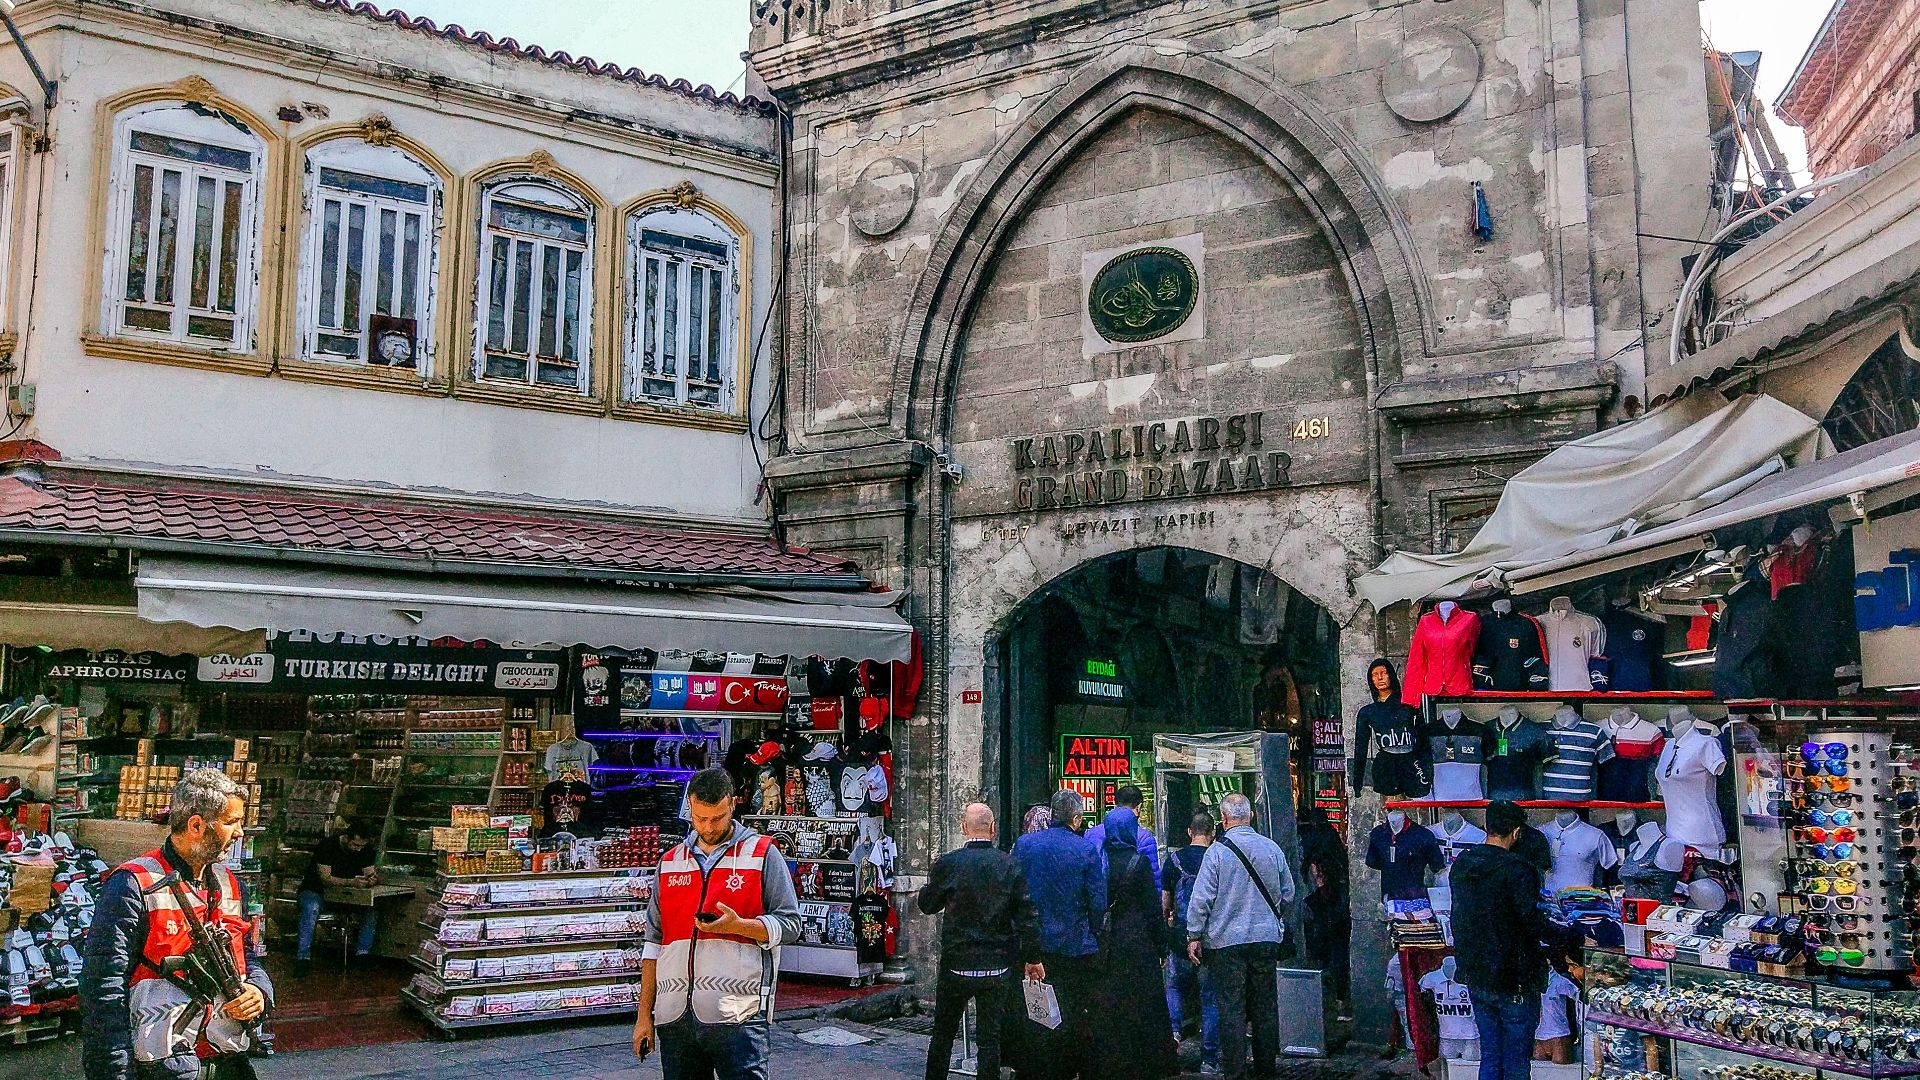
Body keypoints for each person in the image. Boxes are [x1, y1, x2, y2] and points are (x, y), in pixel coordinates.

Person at [80, 768, 273, 1080]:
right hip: (162, 1066)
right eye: (232, 822)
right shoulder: (133, 884)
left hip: (228, 1064)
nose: (240, 832)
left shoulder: (230, 884)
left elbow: (248, 958)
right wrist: (114, 1073)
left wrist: (259, 991)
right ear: (196, 825)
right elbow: (103, 989)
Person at [634, 767, 802, 1080]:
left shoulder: (763, 853)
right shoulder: (669, 862)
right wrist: (644, 1015)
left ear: (733, 805)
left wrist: (739, 926)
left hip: (739, 1016)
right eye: (700, 819)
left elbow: (791, 924)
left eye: (718, 817)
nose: (709, 828)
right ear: (690, 809)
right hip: (675, 1019)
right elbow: (652, 943)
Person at [918, 803, 1044, 1080]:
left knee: (942, 1035)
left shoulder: (949, 864)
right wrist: (1033, 958)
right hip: (996, 965)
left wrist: (931, 886)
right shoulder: (1008, 865)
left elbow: (927, 905)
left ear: (964, 829)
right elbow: (1027, 916)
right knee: (990, 1040)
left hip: (957, 963)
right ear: (993, 828)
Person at [1450, 800, 1569, 1080]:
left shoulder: (1464, 863)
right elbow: (1530, 921)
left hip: (1477, 973)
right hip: (1512, 976)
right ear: (1516, 832)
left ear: (1486, 827)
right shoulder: (1517, 869)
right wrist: (1568, 936)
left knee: (1491, 1054)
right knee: (1516, 1060)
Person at [1186, 792, 1295, 1080]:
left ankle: (1234, 1070)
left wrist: (1194, 935)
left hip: (1226, 943)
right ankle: (1265, 1070)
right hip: (1265, 939)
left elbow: (1201, 900)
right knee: (1264, 1008)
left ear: (1223, 819)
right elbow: (1289, 893)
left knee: (1231, 1009)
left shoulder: (1217, 853)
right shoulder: (1271, 848)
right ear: (1252, 816)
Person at [1011, 788, 1105, 1080]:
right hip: (1074, 944)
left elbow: (1013, 892)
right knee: (1073, 1009)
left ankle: (1036, 1066)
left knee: (1036, 1009)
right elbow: (1097, 901)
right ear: (1076, 819)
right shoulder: (1085, 849)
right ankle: (1066, 1067)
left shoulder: (1025, 845)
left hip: (1034, 945)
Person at [1094, 807, 1178, 1079]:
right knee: (1142, 1005)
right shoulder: (1138, 862)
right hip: (1138, 943)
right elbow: (1152, 909)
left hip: (1107, 943)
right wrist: (1161, 945)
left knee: (1110, 1005)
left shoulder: (1097, 859)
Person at [1162, 810, 1220, 1073]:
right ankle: (1209, 1059)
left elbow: (1165, 903)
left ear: (1189, 831)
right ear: (1213, 833)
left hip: (1180, 937)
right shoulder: (1217, 858)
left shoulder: (1174, 861)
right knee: (1209, 998)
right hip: (1209, 939)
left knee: (1173, 987)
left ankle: (1173, 1035)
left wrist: (1169, 925)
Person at [294, 819, 379, 976]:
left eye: (361, 846)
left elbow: (370, 872)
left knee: (371, 910)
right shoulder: (327, 846)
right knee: (310, 908)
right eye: (355, 845)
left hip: (348, 896)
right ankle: (303, 957)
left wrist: (372, 879)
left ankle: (362, 953)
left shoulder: (365, 850)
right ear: (346, 838)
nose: (358, 849)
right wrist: (351, 882)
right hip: (317, 891)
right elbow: (325, 878)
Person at [1296, 806, 1352, 1020]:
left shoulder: (1309, 839)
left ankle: (1321, 1001)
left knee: (1319, 951)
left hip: (1319, 902)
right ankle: (1340, 998)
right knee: (1338, 951)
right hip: (1336, 901)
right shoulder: (1332, 838)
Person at [1083, 783, 1160, 886]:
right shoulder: (1144, 838)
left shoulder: (1091, 834)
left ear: (1115, 806)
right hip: (1130, 897)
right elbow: (1153, 881)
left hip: (1098, 896)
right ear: (1138, 808)